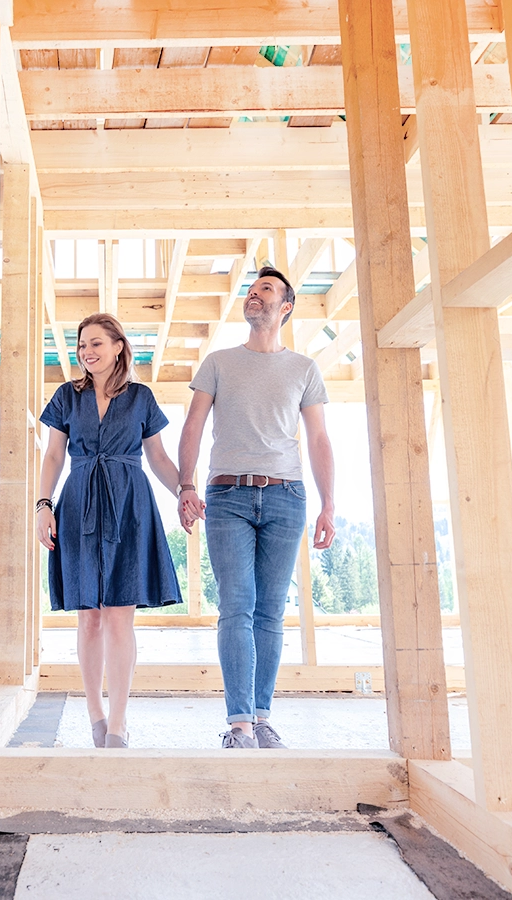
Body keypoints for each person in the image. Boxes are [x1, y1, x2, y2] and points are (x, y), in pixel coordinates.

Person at [177, 266, 336, 749]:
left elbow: (319, 438)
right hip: (227, 497)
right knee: (236, 606)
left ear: (285, 307)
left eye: (264, 290)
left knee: (270, 611)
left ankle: (262, 719)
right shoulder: (219, 362)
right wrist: (186, 484)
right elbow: (193, 425)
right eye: (250, 290)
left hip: (288, 496)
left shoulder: (304, 368)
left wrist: (329, 504)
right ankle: (240, 725)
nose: (254, 295)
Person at [36, 313, 182, 749]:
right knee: (89, 618)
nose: (88, 352)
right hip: (78, 501)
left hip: (129, 505)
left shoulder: (141, 397)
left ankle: (118, 723)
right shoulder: (67, 396)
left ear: (119, 346)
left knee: (120, 616)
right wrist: (43, 505)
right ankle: (94, 713)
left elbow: (157, 458)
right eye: (82, 346)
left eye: (96, 343)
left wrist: (185, 492)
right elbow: (52, 458)